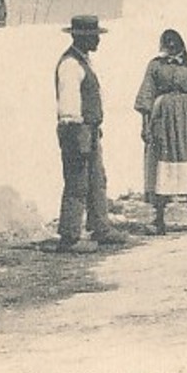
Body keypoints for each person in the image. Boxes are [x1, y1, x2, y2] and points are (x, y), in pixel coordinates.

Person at [134, 28, 187, 235]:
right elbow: (146, 94)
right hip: (161, 121)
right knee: (160, 165)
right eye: (167, 40)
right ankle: (159, 218)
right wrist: (145, 125)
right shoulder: (155, 65)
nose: (170, 45)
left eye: (175, 41)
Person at [53, 14, 126, 250]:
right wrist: (78, 136)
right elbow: (69, 106)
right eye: (92, 36)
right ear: (79, 38)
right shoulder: (70, 65)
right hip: (76, 130)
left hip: (90, 130)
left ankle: (100, 227)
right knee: (77, 182)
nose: (97, 40)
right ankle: (70, 237)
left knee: (97, 179)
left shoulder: (84, 61)